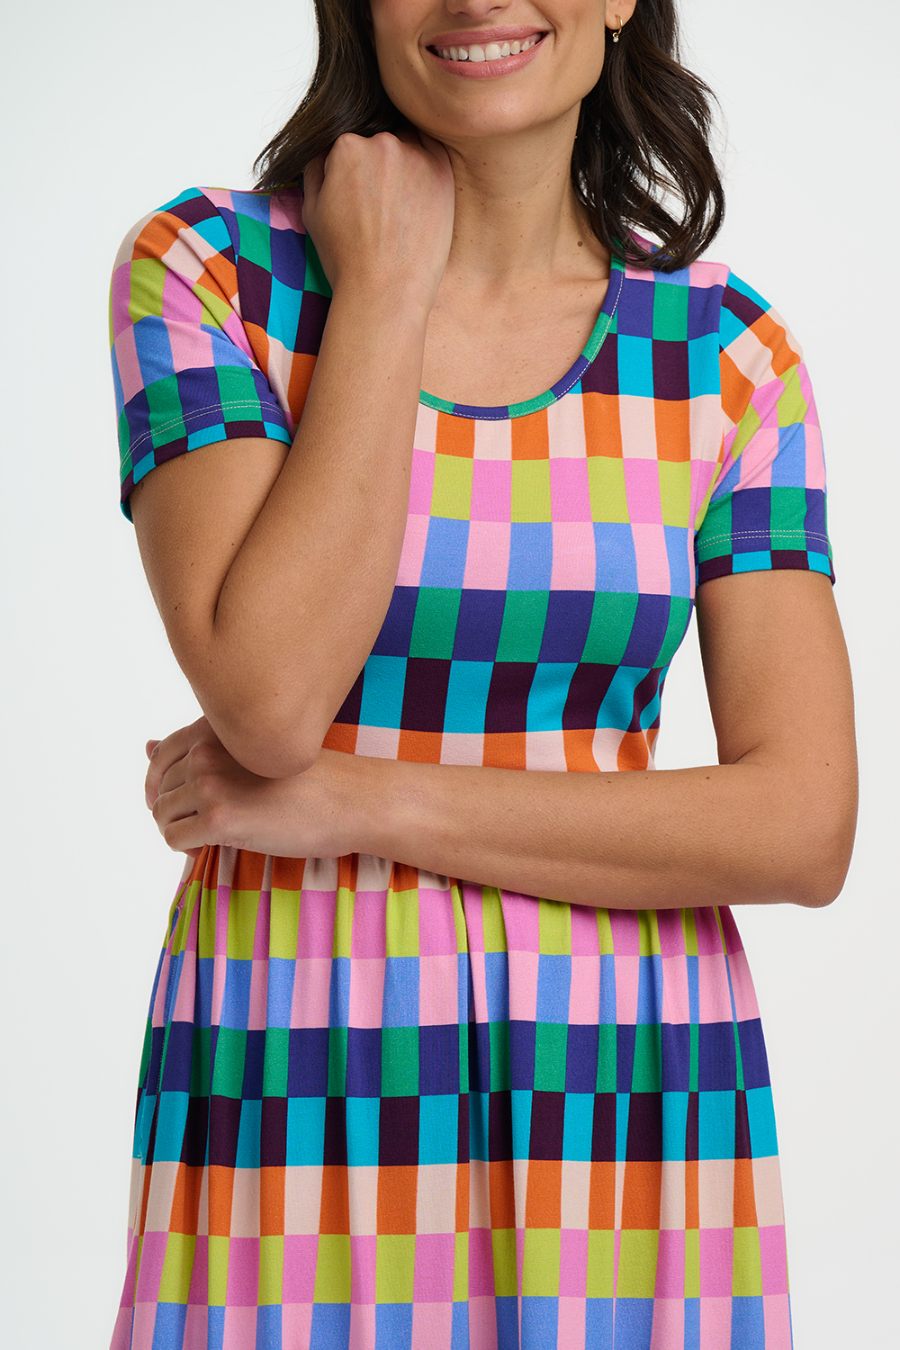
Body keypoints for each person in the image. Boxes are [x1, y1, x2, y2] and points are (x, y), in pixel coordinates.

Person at [105, 2, 858, 1347]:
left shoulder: (729, 357)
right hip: (310, 1074)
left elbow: (802, 823)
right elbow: (268, 699)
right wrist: (388, 289)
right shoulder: (213, 274)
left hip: (622, 1099)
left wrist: (365, 800)